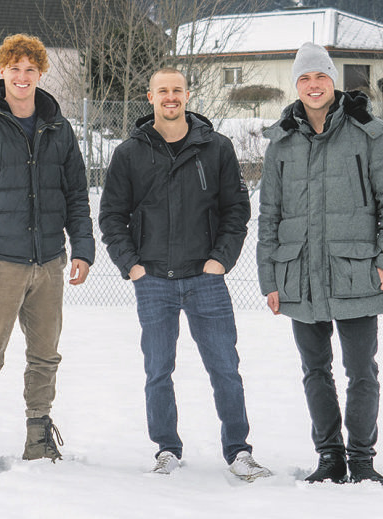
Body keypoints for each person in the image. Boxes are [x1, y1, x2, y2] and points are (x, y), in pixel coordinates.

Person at [99, 68, 271, 481]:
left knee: (225, 367)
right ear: (150, 97)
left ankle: (239, 451)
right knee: (158, 369)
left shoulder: (216, 148)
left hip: (205, 278)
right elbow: (110, 218)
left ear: (188, 95)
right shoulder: (129, 153)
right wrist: (133, 266)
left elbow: (236, 212)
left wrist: (220, 261)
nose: (171, 97)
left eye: (177, 90)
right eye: (163, 91)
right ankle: (166, 449)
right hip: (153, 280)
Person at [257, 42, 383, 485]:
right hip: (298, 274)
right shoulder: (281, 141)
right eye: (304, 78)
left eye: (320, 76)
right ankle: (330, 457)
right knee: (314, 370)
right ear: (296, 85)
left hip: (357, 271)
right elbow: (270, 215)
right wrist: (270, 276)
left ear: (332, 80)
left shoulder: (369, 132)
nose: (313, 85)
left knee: (361, 371)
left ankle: (362, 459)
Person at [0, 33, 94, 472]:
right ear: (3, 71)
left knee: (45, 354)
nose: (23, 76)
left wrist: (82, 249)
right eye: (15, 68)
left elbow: (76, 196)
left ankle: (38, 434)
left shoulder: (59, 128)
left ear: (40, 73)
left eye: (31, 69)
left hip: (49, 262)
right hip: (0, 264)